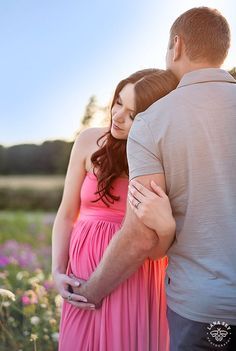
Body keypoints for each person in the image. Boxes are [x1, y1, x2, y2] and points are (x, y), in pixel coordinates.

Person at [72, 7, 236, 351]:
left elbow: (140, 236)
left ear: (176, 46)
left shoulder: (154, 121)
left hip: (203, 311)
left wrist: (91, 291)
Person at [52, 68, 178, 351]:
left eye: (132, 114)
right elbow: (66, 214)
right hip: (81, 275)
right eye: (119, 101)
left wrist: (167, 229)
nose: (118, 115)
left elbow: (155, 248)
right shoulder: (88, 140)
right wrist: (57, 270)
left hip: (134, 277)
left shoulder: (160, 160)